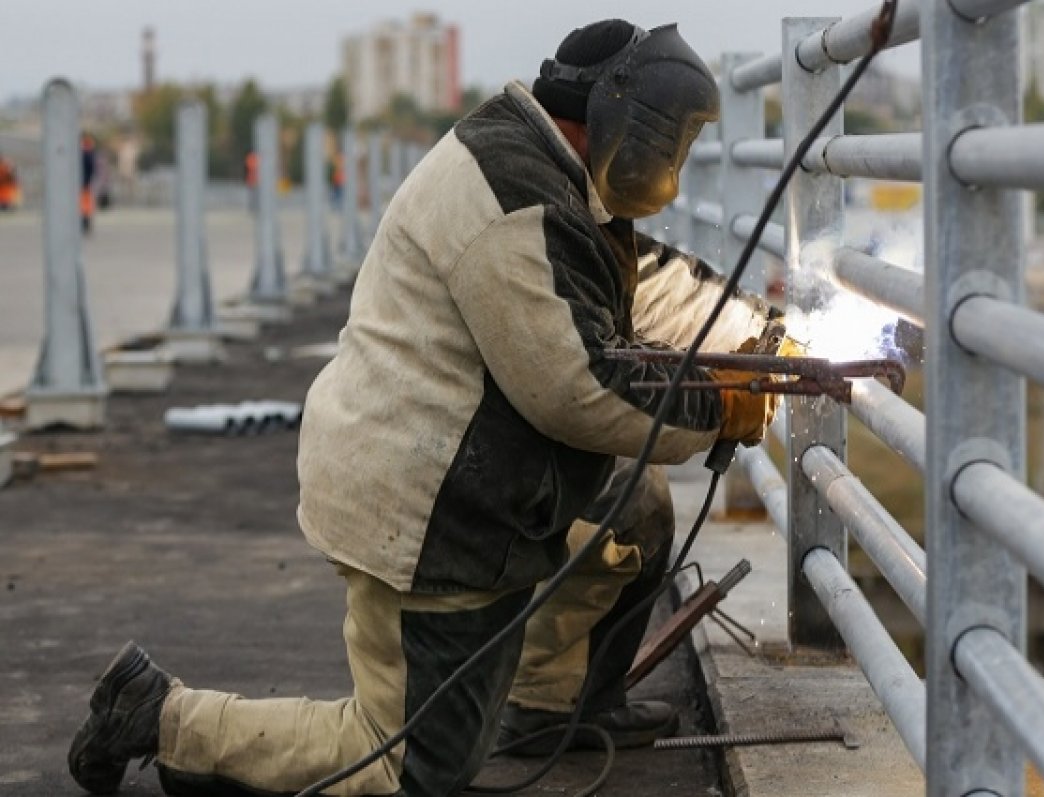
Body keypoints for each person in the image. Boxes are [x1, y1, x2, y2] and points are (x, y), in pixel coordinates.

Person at [68, 19, 783, 797]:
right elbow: (577, 385)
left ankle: (551, 705)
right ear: (623, 122)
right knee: (406, 762)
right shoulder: (516, 198)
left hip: (460, 464)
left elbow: (646, 282)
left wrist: (763, 334)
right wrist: (723, 403)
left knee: (629, 506)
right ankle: (164, 717)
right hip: (426, 503)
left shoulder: (548, 167)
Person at [80, 133, 97, 233]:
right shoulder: (88, 154)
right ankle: (85, 224)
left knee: (84, 206)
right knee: (85, 206)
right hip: (86, 183)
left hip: (83, 184)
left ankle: (84, 224)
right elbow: (92, 169)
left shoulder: (82, 154)